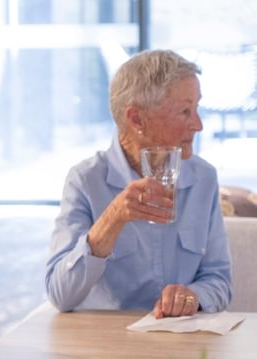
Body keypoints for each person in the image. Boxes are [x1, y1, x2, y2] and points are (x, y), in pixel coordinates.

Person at [46, 49, 231, 318]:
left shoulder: (204, 178)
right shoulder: (86, 180)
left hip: (181, 342)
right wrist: (113, 218)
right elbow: (61, 295)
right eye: (184, 111)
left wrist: (193, 296)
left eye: (197, 108)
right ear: (136, 119)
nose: (198, 125)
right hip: (109, 345)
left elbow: (220, 280)